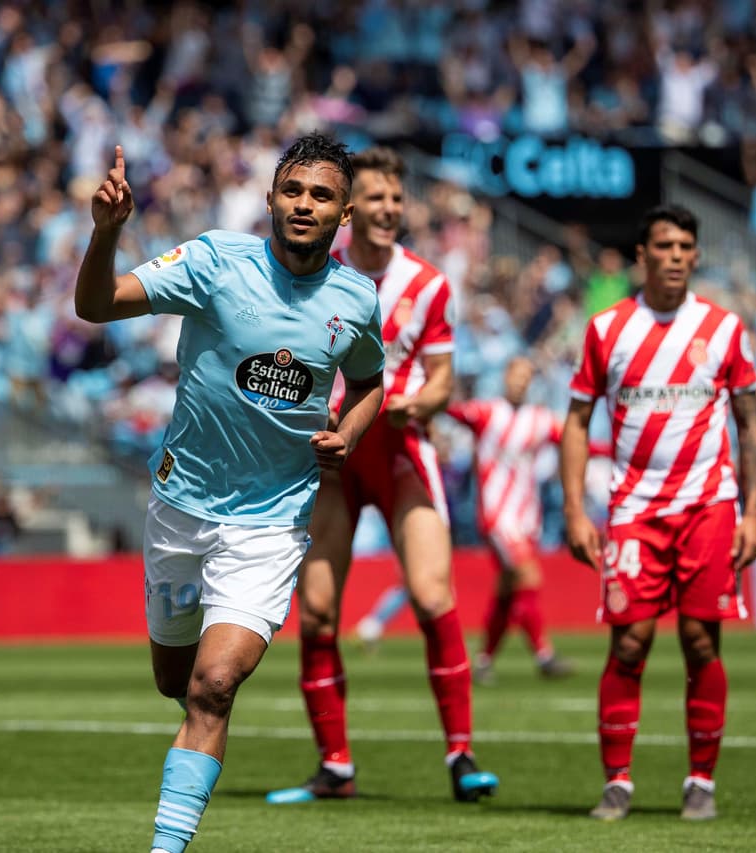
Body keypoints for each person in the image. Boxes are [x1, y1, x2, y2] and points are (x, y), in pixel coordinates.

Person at [74, 134, 386, 853]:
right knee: (174, 680)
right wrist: (106, 233)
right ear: (272, 197)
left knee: (215, 684)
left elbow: (369, 381)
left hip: (270, 527)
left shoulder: (355, 297)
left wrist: (352, 432)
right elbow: (97, 304)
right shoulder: (216, 260)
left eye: (321, 195)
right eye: (293, 190)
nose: (304, 204)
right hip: (182, 511)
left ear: (343, 214)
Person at [267, 146, 499, 806]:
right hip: (334, 460)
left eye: (396, 198)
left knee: (431, 596)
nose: (389, 208)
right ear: (347, 210)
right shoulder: (318, 275)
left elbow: (444, 380)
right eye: (375, 198)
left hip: (400, 451)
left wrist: (415, 402)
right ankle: (334, 766)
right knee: (316, 614)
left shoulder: (428, 284)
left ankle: (461, 755)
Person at [560, 204, 756, 822]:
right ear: (642, 256)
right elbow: (576, 420)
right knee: (631, 644)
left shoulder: (725, 329)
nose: (676, 255)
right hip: (634, 510)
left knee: (702, 641)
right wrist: (574, 508)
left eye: (685, 246)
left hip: (709, 505)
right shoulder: (606, 330)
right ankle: (617, 781)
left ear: (696, 255)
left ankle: (700, 781)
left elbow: (752, 426)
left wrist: (753, 512)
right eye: (664, 245)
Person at [445, 355, 586, 685]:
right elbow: (451, 410)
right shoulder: (487, 412)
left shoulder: (540, 419)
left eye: (527, 376)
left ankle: (481, 661)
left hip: (526, 518)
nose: (521, 381)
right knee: (527, 575)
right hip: (497, 516)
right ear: (506, 377)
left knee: (509, 592)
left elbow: (573, 440)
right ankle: (544, 655)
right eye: (516, 375)